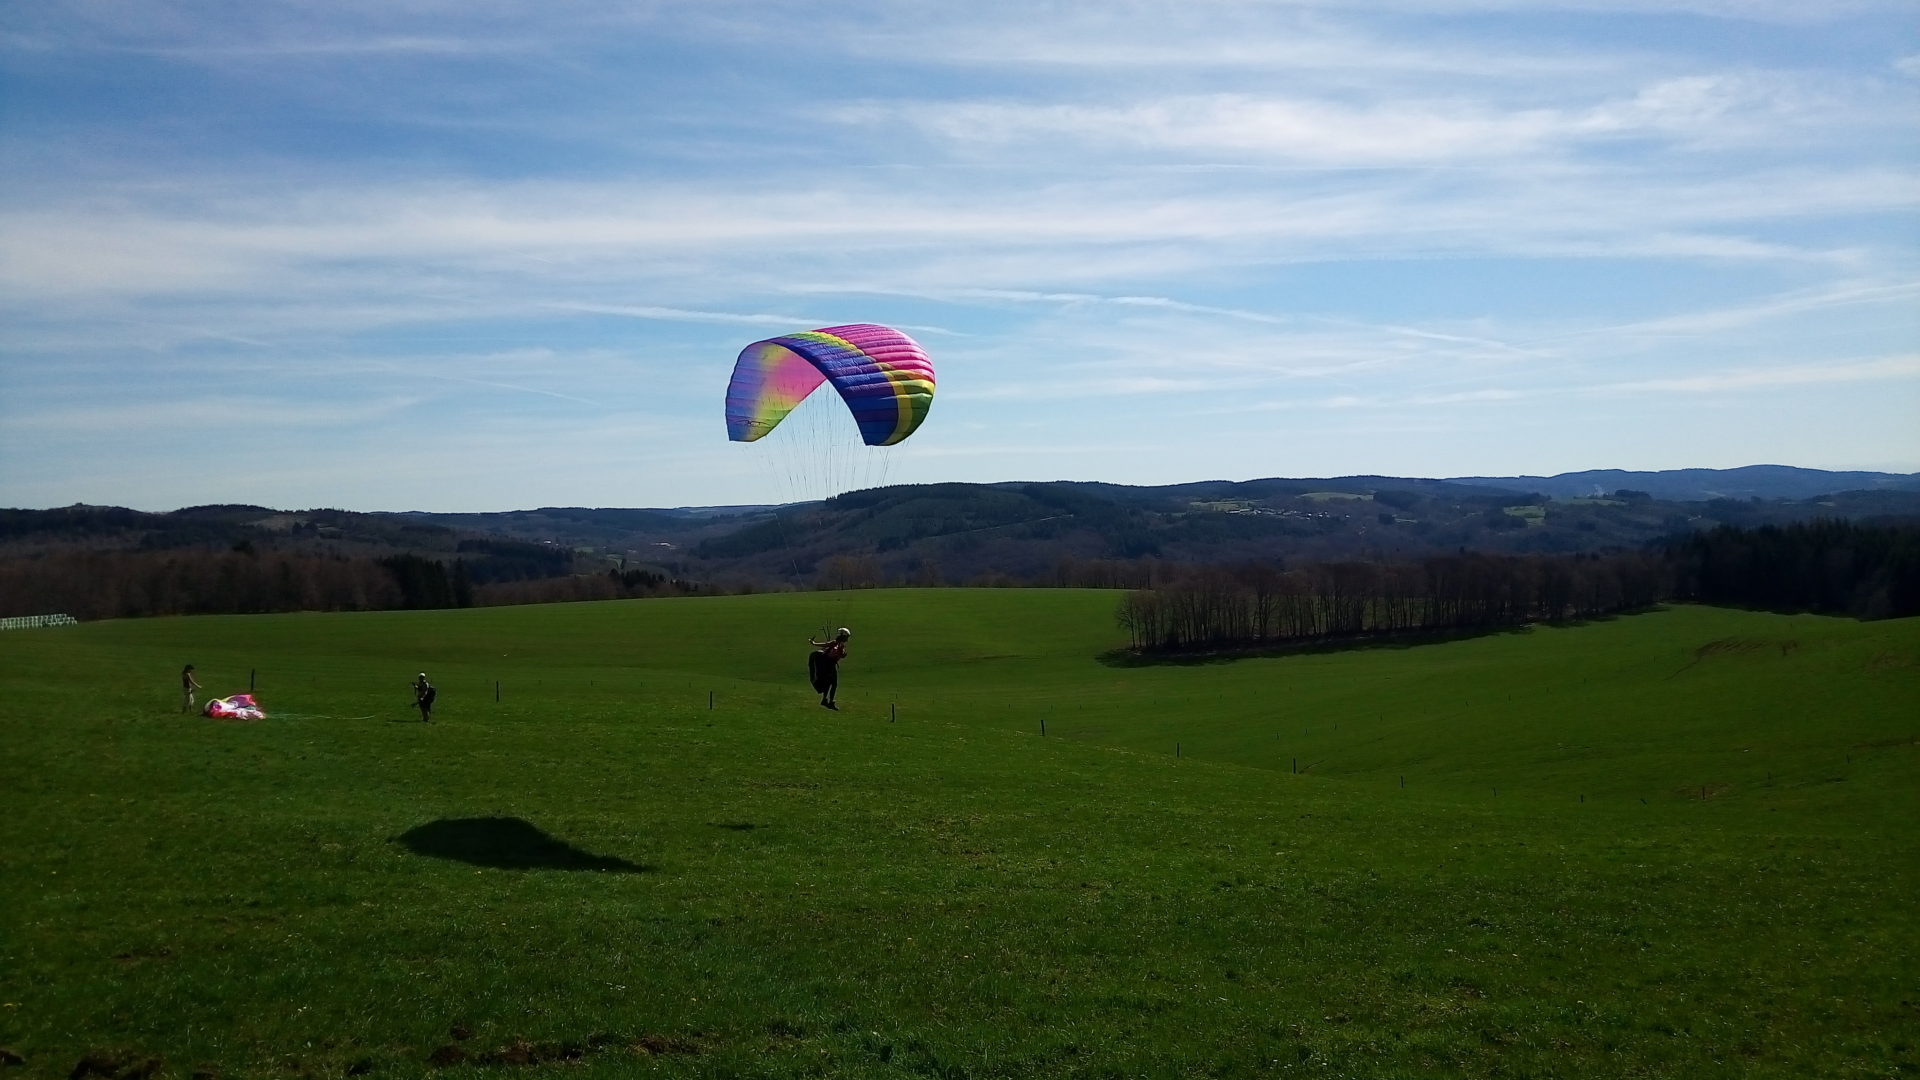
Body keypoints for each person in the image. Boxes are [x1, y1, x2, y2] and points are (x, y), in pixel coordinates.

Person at [808, 627, 850, 710]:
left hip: (830, 664)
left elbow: (841, 654)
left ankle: (825, 700)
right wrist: (814, 643)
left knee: (830, 683)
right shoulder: (835, 643)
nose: (847, 639)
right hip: (829, 665)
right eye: (846, 637)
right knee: (833, 683)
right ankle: (830, 702)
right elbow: (826, 645)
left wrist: (843, 654)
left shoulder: (840, 644)